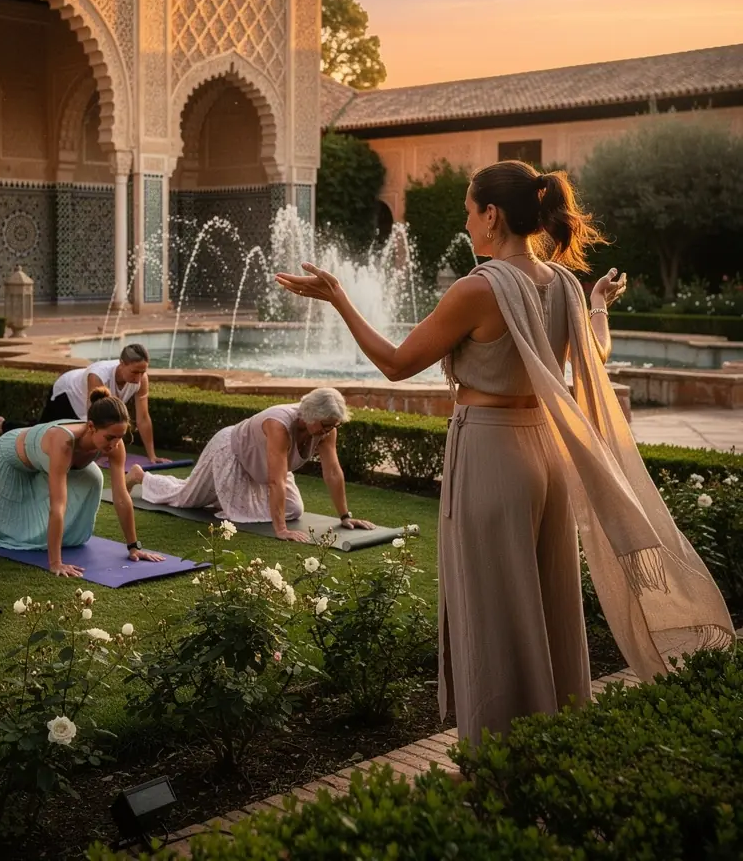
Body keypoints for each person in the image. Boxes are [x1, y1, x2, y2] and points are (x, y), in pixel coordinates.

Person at [275, 159, 734, 746]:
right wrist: (597, 305)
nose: (466, 224)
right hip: (545, 451)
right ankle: (556, 734)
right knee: (546, 602)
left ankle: (496, 752)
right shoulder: (563, 284)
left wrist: (339, 297)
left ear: (492, 216)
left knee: (493, 609)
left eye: (469, 212)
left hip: (491, 451)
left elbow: (395, 364)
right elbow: (590, 352)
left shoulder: (480, 287)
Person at [0, 388, 165, 577]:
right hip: (9, 459)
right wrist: (55, 562)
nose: (115, 444)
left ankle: (0, 510)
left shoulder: (114, 444)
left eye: (121, 437)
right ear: (91, 427)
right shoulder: (63, 442)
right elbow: (57, 505)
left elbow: (121, 496)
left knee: (93, 477)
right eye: (110, 437)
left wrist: (134, 546)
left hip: (41, 463)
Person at [127, 387, 375, 543]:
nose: (329, 430)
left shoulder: (325, 430)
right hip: (231, 451)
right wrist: (281, 530)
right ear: (309, 415)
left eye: (334, 425)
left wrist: (345, 516)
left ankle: (223, 496)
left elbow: (332, 471)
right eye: (325, 425)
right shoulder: (279, 425)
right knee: (186, 498)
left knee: (294, 509)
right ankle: (141, 477)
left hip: (262, 464)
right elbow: (275, 480)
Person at [0, 343, 169, 463]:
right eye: (135, 372)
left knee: (53, 431)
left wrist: (152, 456)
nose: (138, 377)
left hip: (83, 404)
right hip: (67, 392)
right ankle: (3, 425)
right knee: (42, 431)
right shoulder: (99, 375)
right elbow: (95, 418)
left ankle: (4, 425)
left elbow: (143, 418)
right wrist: (98, 452)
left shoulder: (141, 379)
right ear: (121, 364)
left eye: (143, 372)